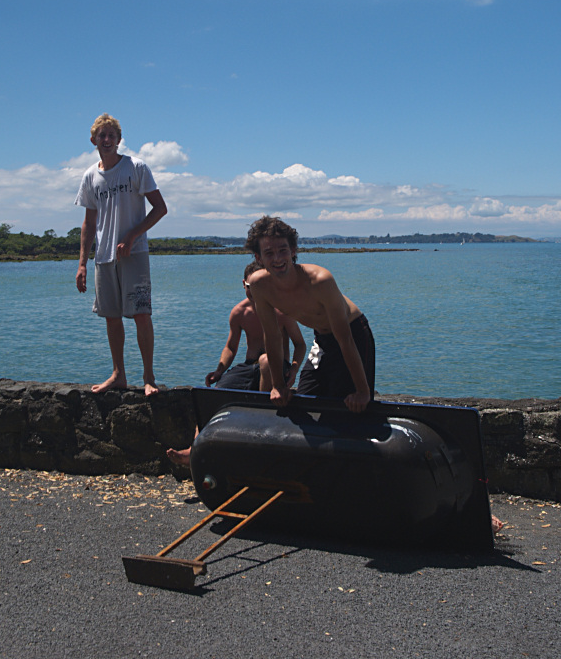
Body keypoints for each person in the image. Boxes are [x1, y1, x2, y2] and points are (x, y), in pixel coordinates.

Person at [166, 261, 306, 466]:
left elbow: (300, 345)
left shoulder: (281, 311)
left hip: (276, 366)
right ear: (244, 285)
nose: (255, 292)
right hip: (248, 366)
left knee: (266, 360)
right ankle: (194, 449)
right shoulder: (240, 312)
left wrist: (293, 369)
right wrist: (219, 370)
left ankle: (260, 427)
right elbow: (231, 347)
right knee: (212, 396)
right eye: (251, 288)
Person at [75, 113, 167, 396]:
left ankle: (149, 377)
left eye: (111, 136)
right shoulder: (91, 176)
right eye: (101, 136)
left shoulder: (136, 168)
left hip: (134, 254)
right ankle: (118, 375)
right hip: (103, 257)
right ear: (93, 140)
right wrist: (81, 264)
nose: (106, 140)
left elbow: (160, 208)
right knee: (111, 318)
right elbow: (89, 223)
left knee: (141, 314)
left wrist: (131, 236)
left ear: (118, 140)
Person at [244, 216, 375, 414]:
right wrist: (278, 385)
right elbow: (272, 336)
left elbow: (345, 339)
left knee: (348, 408)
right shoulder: (259, 285)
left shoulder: (320, 280)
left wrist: (363, 392)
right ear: (258, 258)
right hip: (321, 339)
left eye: (283, 251)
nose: (278, 259)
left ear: (293, 251)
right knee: (302, 401)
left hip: (352, 333)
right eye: (269, 253)